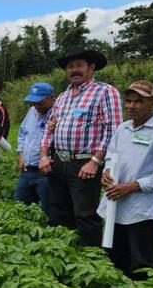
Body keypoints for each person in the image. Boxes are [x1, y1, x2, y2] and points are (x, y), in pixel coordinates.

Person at [97, 81, 153, 279]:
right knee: (116, 255)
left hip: (141, 208)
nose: (131, 106)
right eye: (128, 101)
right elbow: (111, 155)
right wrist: (107, 170)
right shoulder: (123, 128)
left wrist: (133, 186)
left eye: (138, 101)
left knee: (141, 262)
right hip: (116, 202)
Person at [39, 46, 122, 246]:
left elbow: (114, 130)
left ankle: (90, 257)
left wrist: (95, 161)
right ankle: (65, 251)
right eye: (70, 66)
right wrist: (44, 155)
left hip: (84, 163)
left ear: (91, 68)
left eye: (79, 65)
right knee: (59, 211)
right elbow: (50, 127)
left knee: (85, 215)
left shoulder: (105, 92)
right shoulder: (63, 96)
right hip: (59, 162)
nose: (74, 70)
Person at [16, 82, 55, 214]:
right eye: (33, 102)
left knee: (49, 210)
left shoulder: (58, 114)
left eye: (40, 102)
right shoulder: (31, 111)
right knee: (20, 207)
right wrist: (21, 155)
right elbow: (22, 134)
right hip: (26, 170)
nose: (36, 106)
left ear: (51, 98)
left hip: (46, 173)